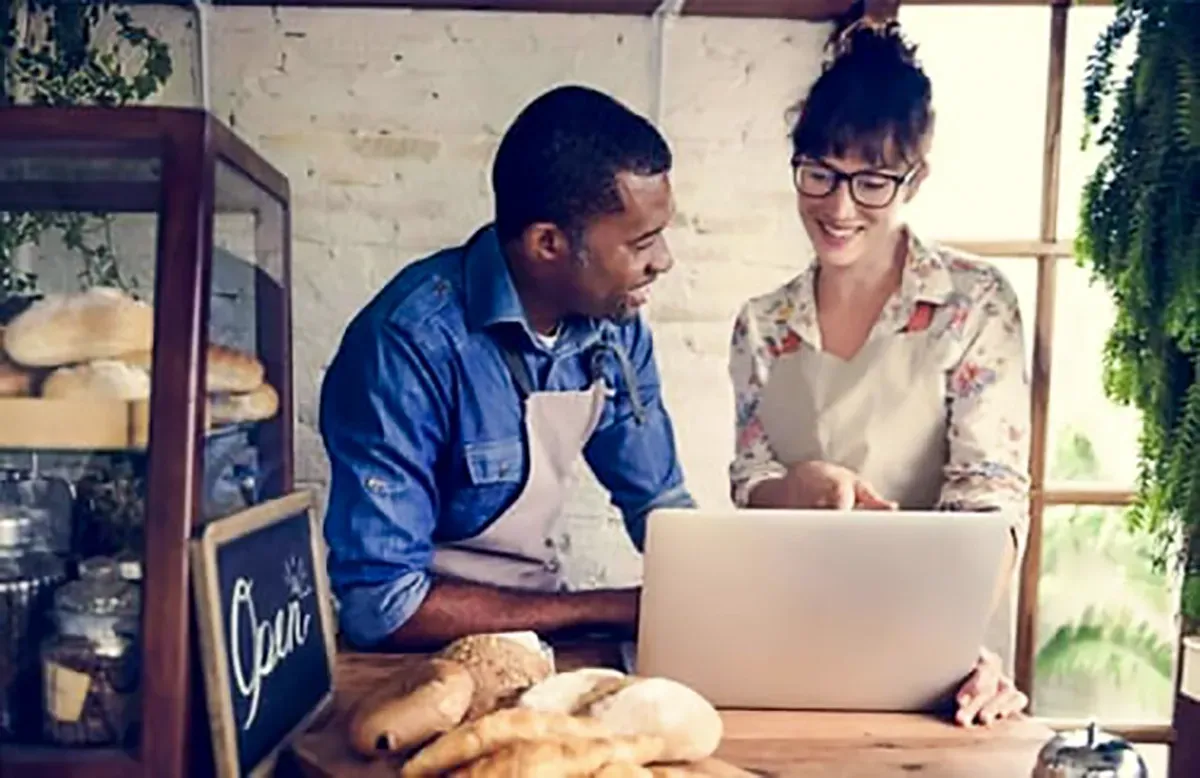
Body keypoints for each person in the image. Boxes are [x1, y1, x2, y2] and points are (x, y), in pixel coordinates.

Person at [727, 13, 1032, 727]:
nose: (838, 207)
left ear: (914, 179)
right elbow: (750, 480)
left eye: (871, 182)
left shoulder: (974, 303)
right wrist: (795, 488)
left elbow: (989, 499)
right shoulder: (762, 324)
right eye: (820, 174)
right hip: (790, 634)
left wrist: (952, 644)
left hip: (935, 654)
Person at [319, 85, 694, 651]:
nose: (662, 261)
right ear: (548, 243)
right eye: (642, 241)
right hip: (417, 655)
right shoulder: (407, 344)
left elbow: (659, 504)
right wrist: (610, 609)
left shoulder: (615, 327)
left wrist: (713, 592)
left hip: (540, 632)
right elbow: (383, 605)